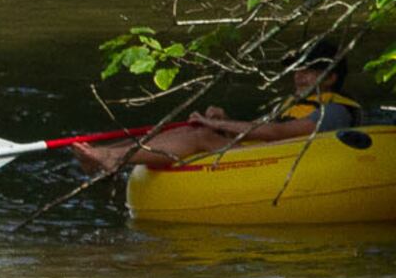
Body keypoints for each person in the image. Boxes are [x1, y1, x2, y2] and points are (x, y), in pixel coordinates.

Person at [71, 48, 370, 173]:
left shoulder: (335, 112)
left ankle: (111, 158)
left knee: (196, 136)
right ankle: (104, 154)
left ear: (330, 77)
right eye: (298, 70)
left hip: (285, 162)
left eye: (310, 72)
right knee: (184, 128)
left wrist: (217, 124)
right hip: (271, 153)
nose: (299, 76)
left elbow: (280, 132)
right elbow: (264, 128)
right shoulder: (295, 103)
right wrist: (222, 123)